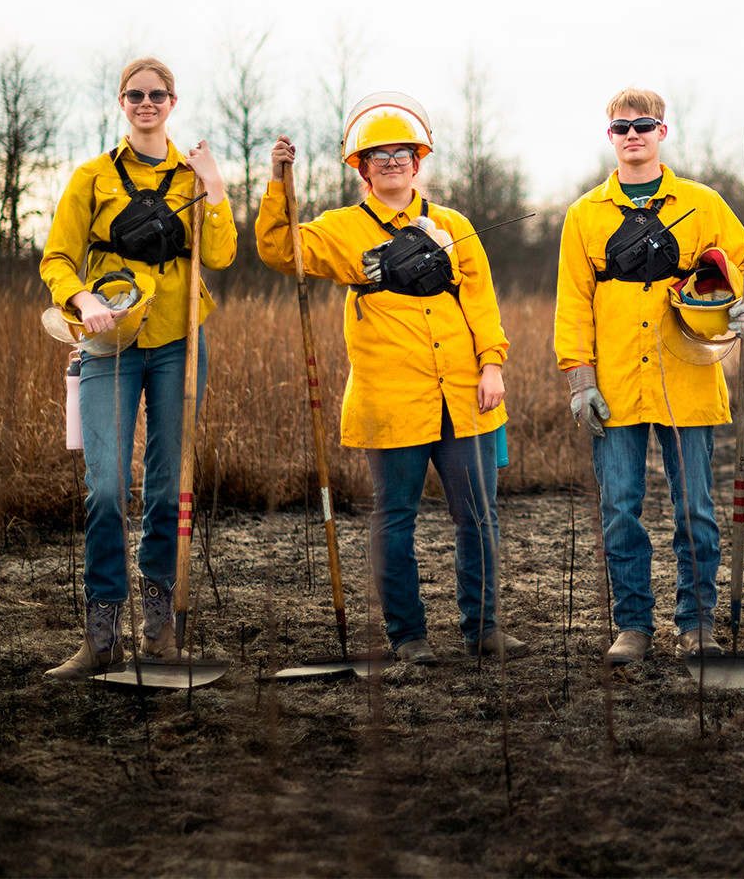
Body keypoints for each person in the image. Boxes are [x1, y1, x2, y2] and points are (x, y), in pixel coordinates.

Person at [256, 92, 525, 665]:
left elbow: (480, 301)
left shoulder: (453, 224)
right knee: (394, 517)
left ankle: (483, 629)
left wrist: (493, 364)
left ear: (419, 159)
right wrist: (279, 181)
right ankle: (409, 637)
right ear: (361, 167)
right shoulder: (341, 229)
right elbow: (282, 250)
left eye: (402, 151)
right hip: (390, 396)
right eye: (378, 154)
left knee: (478, 515)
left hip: (465, 392)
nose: (392, 161)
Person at [554, 87, 744, 664]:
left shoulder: (702, 203)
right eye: (622, 126)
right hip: (616, 386)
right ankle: (632, 626)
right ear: (610, 136)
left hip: (690, 379)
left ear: (662, 132)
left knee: (695, 511)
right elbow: (573, 304)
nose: (634, 134)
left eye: (644, 125)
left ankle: (696, 623)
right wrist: (581, 380)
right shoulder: (584, 215)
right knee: (621, 508)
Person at [40, 57, 235, 679]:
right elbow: (57, 258)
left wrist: (216, 187)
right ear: (121, 102)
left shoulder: (193, 174)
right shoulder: (92, 177)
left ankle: (159, 631)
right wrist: (83, 298)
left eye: (157, 94)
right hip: (108, 345)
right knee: (103, 487)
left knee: (165, 489)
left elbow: (224, 254)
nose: (146, 103)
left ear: (173, 102)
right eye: (135, 95)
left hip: (180, 340)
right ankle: (101, 637)